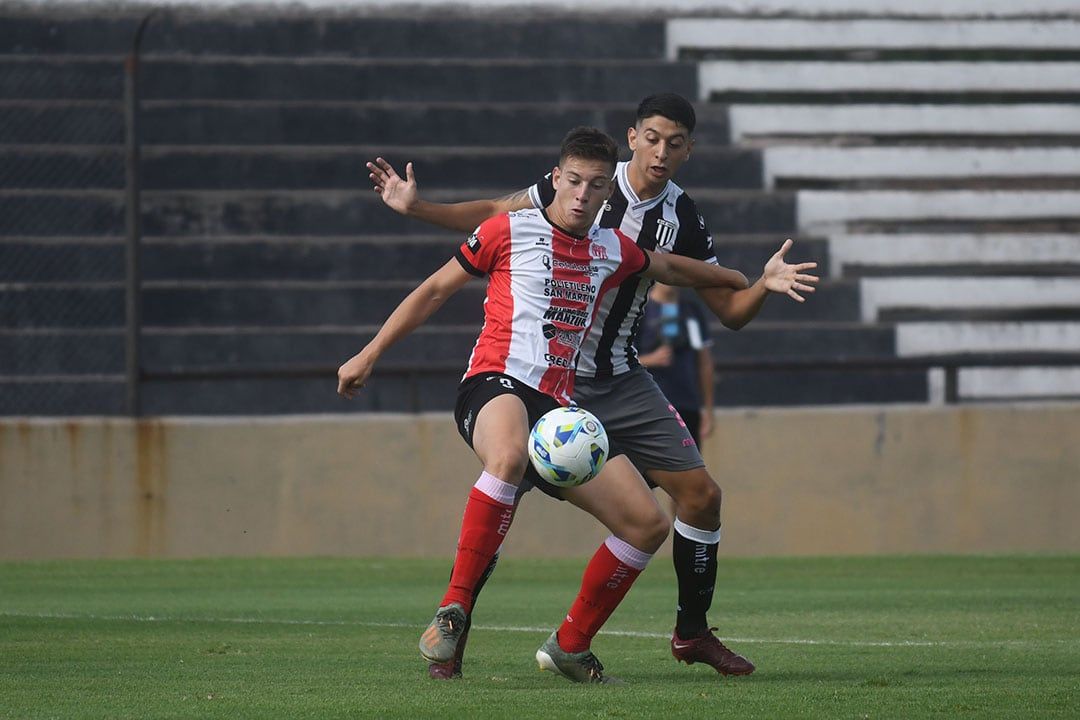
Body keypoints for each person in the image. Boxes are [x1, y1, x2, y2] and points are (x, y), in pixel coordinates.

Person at [365, 93, 819, 680]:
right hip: (549, 378)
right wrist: (419, 208)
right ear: (632, 137)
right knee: (506, 471)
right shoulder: (581, 185)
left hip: (623, 377)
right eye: (652, 138)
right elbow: (492, 217)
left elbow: (723, 306)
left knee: (699, 499)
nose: (661, 151)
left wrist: (759, 282)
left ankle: (687, 632)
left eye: (674, 143)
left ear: (688, 150)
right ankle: (454, 624)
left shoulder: (680, 219)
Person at [637, 283, 714, 448]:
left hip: (687, 405)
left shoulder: (691, 311)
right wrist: (650, 359)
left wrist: (707, 409)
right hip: (650, 407)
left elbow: (704, 362)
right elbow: (621, 358)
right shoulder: (639, 310)